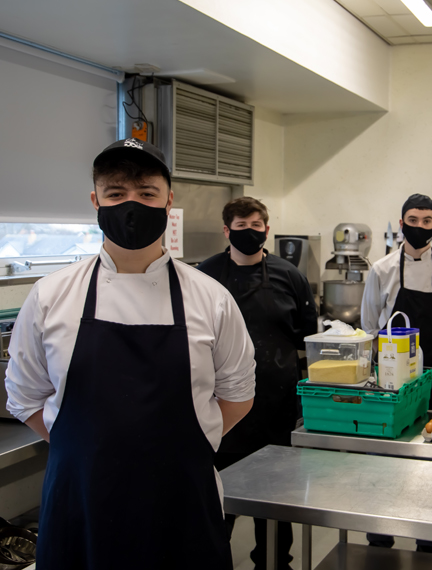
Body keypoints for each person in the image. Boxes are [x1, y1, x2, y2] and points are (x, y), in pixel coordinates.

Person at [4, 139, 256, 570]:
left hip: (181, 502)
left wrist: (179, 447)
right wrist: (86, 450)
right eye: (116, 194)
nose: (131, 205)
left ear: (168, 200)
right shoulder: (51, 295)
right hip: (81, 501)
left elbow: (238, 395)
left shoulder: (211, 298)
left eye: (146, 193)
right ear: (95, 201)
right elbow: (25, 397)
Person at [197, 196, 317, 568]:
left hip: (277, 406)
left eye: (256, 226)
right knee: (218, 501)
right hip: (219, 411)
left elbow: (308, 338)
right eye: (241, 227)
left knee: (277, 499)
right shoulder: (205, 275)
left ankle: (276, 562)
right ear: (226, 230)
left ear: (267, 229)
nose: (249, 233)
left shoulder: (289, 275)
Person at [361, 193, 432, 554]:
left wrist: (424, 363)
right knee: (386, 456)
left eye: (427, 221)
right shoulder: (382, 269)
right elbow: (370, 327)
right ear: (401, 222)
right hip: (390, 377)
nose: (419, 227)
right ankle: (380, 533)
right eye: (413, 220)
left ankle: (429, 537)